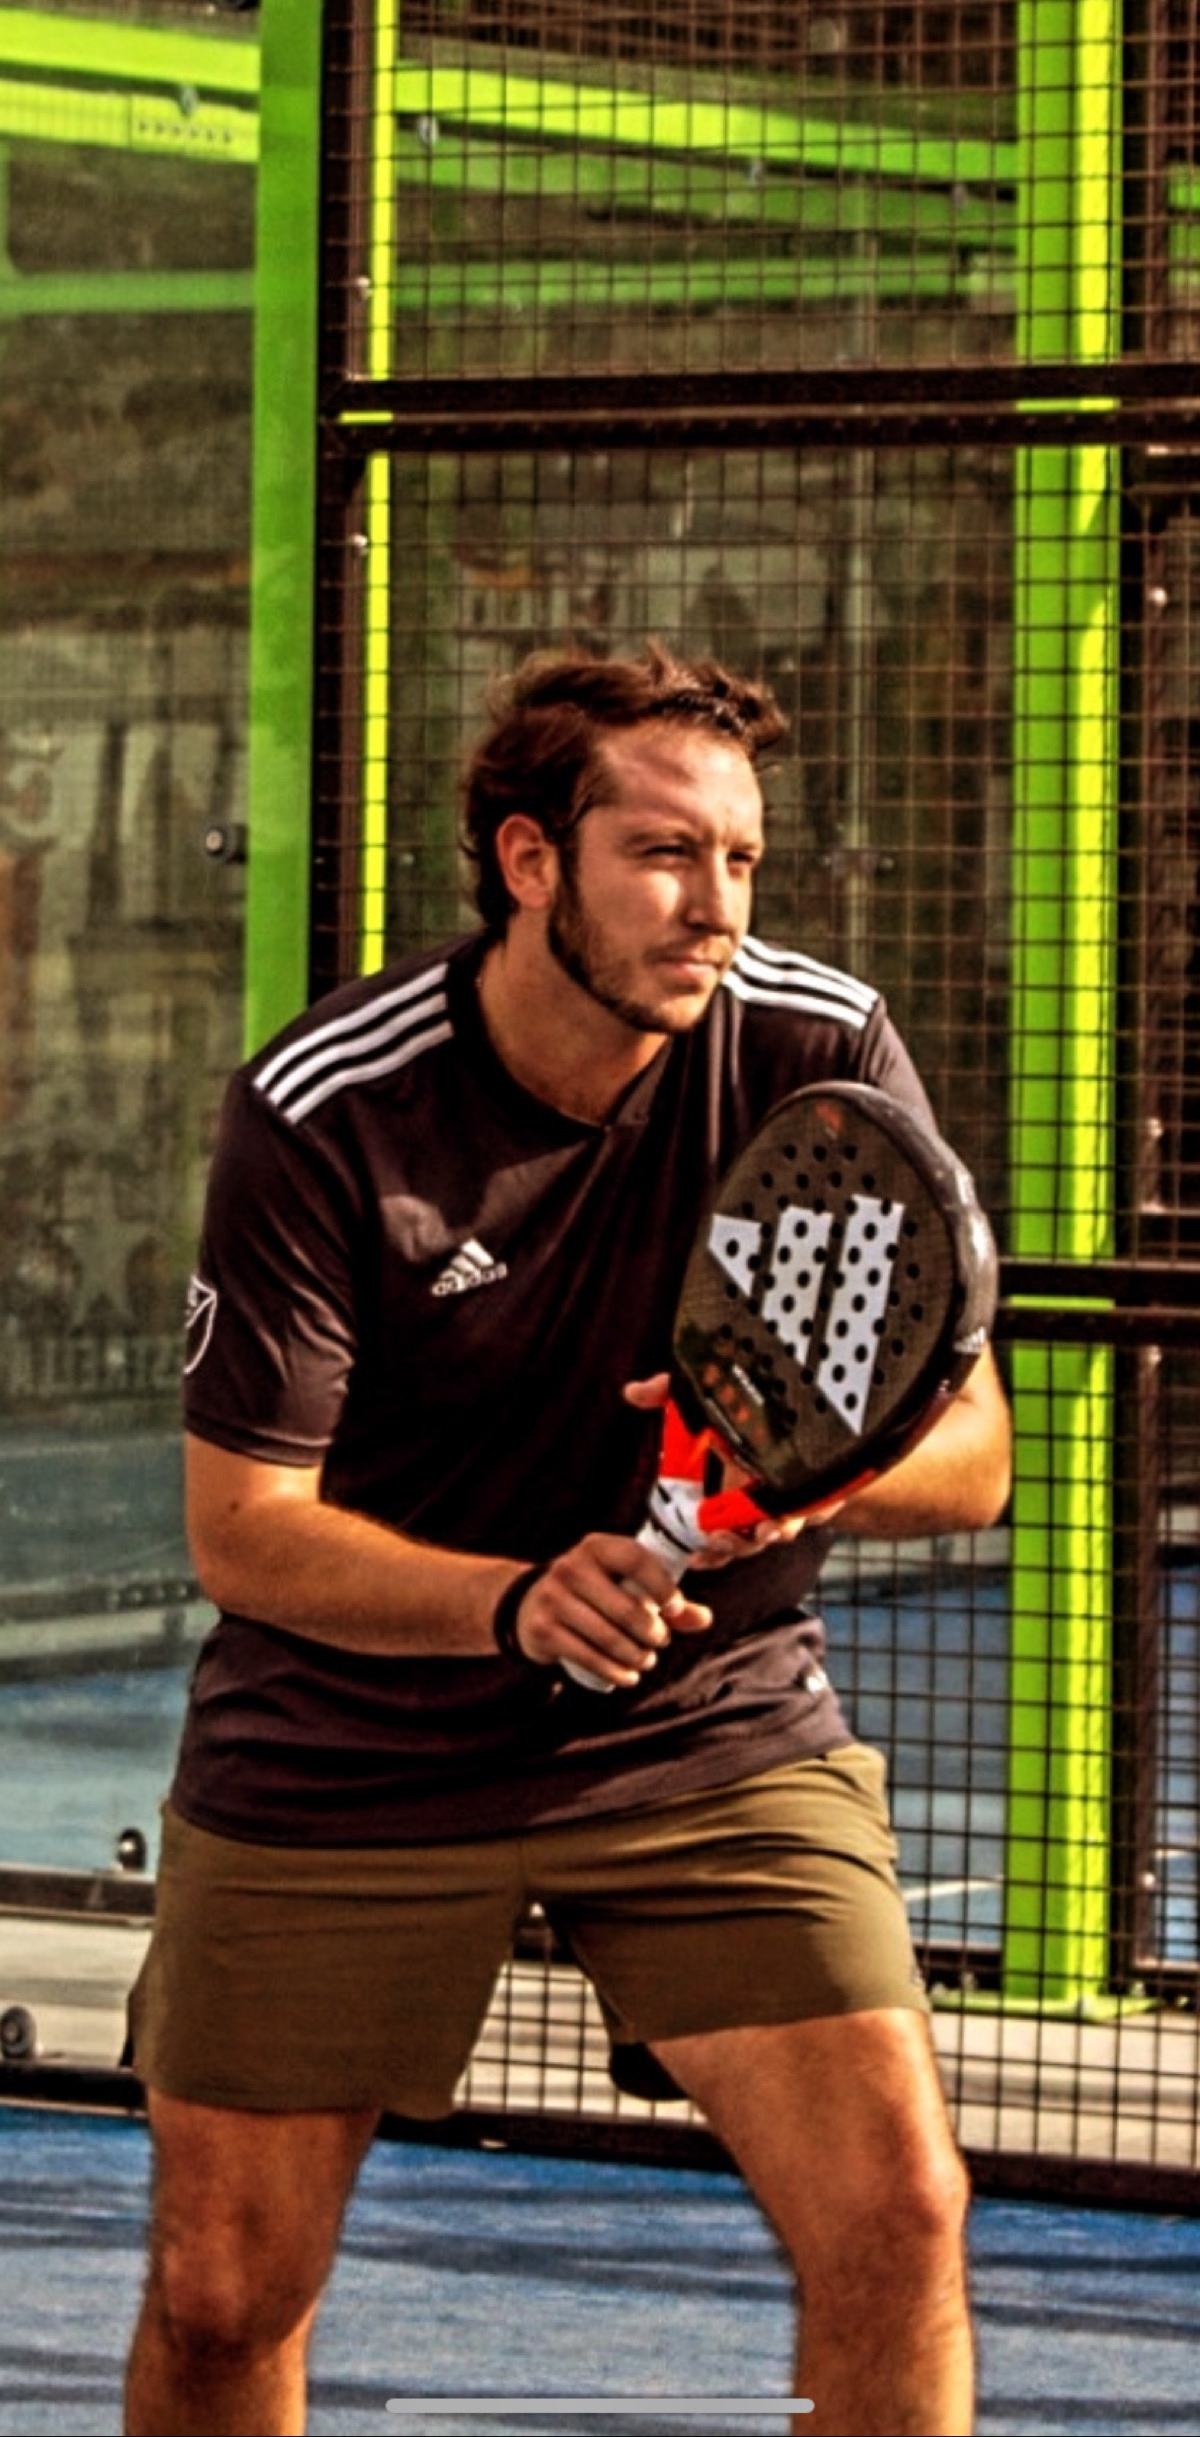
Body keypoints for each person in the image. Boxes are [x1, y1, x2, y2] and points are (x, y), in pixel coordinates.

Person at [123, 642, 1010, 2437]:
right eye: (664, 854)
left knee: (898, 2213)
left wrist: (794, 1477)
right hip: (351, 1744)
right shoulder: (326, 1106)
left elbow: (972, 1449)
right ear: (531, 861)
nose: (717, 907)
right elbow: (247, 1533)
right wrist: (519, 1601)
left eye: (741, 858)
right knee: (223, 2299)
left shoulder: (816, 1042)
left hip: (711, 1727)